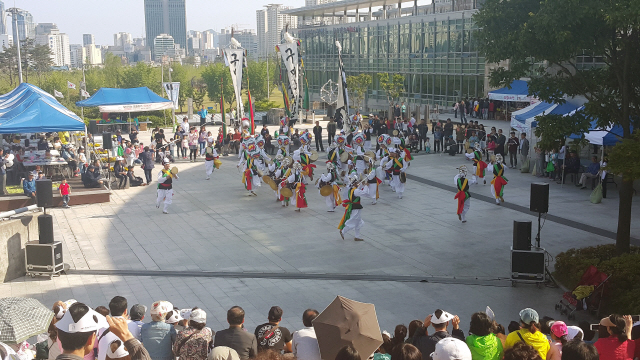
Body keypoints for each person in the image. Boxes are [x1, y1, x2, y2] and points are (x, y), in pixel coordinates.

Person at [338, 173, 369, 241]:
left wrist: (362, 184)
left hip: (354, 207)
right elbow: (366, 194)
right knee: (353, 221)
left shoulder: (351, 189)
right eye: (357, 182)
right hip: (356, 208)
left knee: (357, 222)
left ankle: (357, 236)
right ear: (354, 183)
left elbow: (358, 189)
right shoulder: (356, 191)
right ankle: (343, 231)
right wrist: (366, 186)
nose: (358, 183)